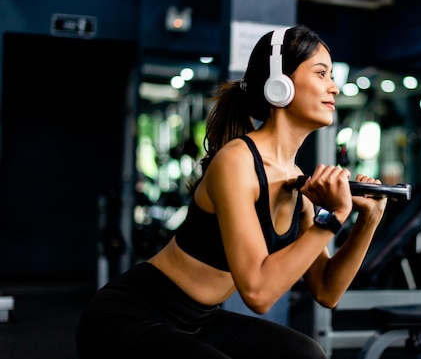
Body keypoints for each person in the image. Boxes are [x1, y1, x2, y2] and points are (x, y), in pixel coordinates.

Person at [75, 24, 388, 359]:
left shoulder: (296, 180)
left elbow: (327, 290)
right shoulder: (237, 161)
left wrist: (368, 218)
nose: (335, 87)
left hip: (201, 320)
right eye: (321, 73)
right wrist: (332, 218)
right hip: (131, 316)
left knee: (306, 354)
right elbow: (257, 293)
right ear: (280, 84)